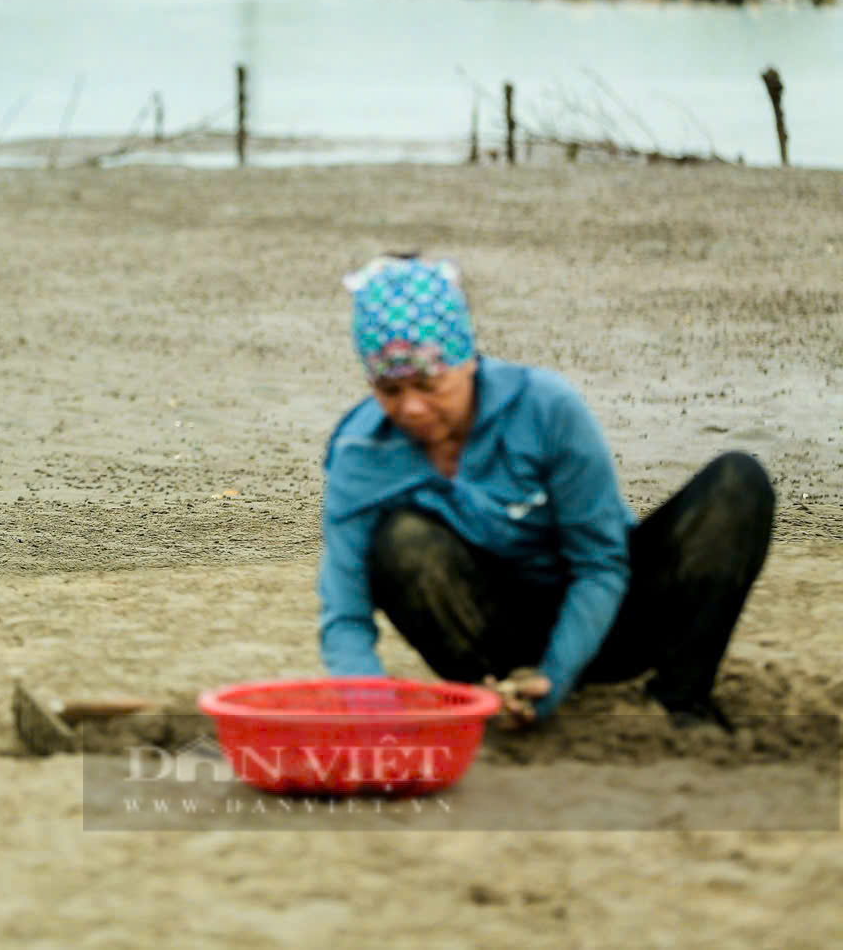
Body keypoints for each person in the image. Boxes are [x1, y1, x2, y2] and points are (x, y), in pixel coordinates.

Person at [316, 256, 774, 731]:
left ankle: (682, 698)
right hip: (492, 633)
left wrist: (554, 680)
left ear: (467, 359)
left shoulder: (547, 410)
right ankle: (487, 698)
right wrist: (374, 717)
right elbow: (345, 616)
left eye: (428, 385)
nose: (410, 407)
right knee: (402, 539)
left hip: (613, 621)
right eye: (389, 390)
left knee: (737, 484)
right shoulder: (359, 451)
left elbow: (599, 565)